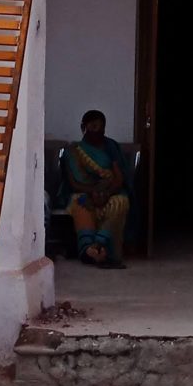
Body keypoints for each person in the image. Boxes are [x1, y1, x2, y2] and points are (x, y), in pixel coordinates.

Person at [65, 109, 130, 268]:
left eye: (102, 127)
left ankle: (100, 246)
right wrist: (92, 192)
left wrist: (106, 193)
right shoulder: (74, 150)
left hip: (109, 192)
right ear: (84, 127)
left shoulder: (110, 146)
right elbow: (74, 183)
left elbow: (119, 178)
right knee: (79, 202)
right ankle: (87, 249)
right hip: (84, 193)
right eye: (94, 127)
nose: (98, 131)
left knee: (121, 202)